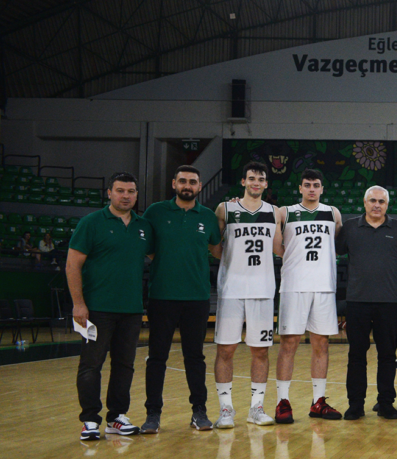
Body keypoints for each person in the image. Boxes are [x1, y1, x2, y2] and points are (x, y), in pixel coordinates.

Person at [66, 172, 153, 440]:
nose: (125, 195)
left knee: (125, 365)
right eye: (120, 190)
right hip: (97, 310)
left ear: (137, 195)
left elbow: (155, 256)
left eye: (130, 191)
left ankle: (116, 417)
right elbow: (72, 265)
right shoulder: (91, 223)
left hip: (131, 309)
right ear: (109, 193)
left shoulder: (143, 227)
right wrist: (78, 304)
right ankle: (90, 419)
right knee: (91, 365)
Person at [141, 165, 221, 433]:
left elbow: (215, 249)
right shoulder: (155, 212)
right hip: (162, 296)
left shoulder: (208, 217)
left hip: (197, 297)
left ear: (199, 187)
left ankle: (199, 411)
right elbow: (148, 250)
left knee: (195, 357)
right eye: (183, 181)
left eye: (193, 182)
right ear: (174, 183)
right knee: (157, 357)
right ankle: (153, 413)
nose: (188, 185)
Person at [336, 185, 397, 420]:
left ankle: (386, 403)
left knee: (387, 355)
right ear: (364, 202)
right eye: (373, 200)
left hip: (389, 302)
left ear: (387, 205)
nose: (377, 205)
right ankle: (356, 404)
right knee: (357, 355)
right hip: (357, 301)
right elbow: (338, 251)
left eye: (381, 201)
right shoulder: (350, 227)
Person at [212, 161, 280, 429]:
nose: (255, 182)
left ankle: (256, 407)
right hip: (231, 290)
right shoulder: (225, 208)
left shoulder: (274, 212)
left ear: (265, 184)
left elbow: (278, 249)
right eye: (251, 177)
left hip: (262, 291)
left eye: (260, 179)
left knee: (260, 351)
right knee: (226, 349)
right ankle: (226, 408)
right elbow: (215, 247)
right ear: (243, 182)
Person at [274, 168, 344, 423]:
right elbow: (277, 247)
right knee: (289, 344)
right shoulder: (285, 211)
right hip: (295, 286)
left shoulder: (333, 212)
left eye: (316, 184)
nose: (312, 188)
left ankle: (318, 401)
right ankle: (282, 401)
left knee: (321, 344)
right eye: (307, 184)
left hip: (324, 286)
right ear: (300, 188)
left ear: (322, 189)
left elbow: (335, 243)